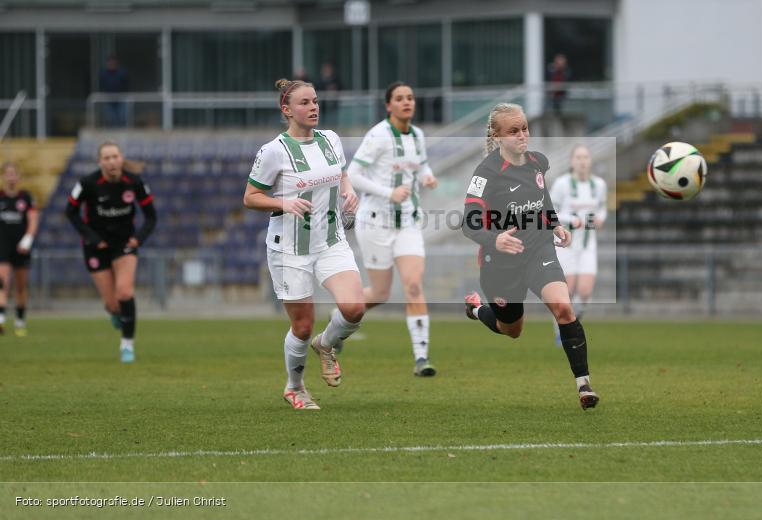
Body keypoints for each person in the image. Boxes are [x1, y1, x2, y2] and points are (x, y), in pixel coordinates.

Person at [461, 103, 599, 410]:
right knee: (512, 330)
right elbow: (469, 222)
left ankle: (584, 385)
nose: (522, 135)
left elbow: (541, 197)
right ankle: (477, 310)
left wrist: (555, 224)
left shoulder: (538, 162)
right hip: (501, 264)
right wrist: (495, 239)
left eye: (524, 128)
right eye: (513, 131)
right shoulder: (485, 173)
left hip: (539, 250)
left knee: (564, 308)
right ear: (497, 136)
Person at [244, 78, 365, 411]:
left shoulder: (331, 139)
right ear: (286, 110)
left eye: (315, 101)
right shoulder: (273, 151)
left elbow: (341, 173)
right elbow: (251, 197)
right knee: (302, 325)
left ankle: (326, 345)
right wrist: (284, 203)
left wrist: (348, 190)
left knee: (354, 308)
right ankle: (295, 387)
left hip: (330, 240)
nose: (314, 107)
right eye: (305, 103)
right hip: (290, 248)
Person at [345, 82, 439, 376]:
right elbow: (352, 175)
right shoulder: (378, 136)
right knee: (380, 293)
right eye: (399, 98)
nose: (406, 102)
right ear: (389, 106)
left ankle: (421, 358)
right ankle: (341, 317)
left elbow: (420, 167)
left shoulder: (418, 135)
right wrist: (389, 193)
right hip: (375, 222)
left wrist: (427, 177)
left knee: (413, 285)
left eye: (410, 97)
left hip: (408, 222)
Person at [65, 143, 156, 362]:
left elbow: (151, 216)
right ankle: (116, 313)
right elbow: (71, 212)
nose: (112, 161)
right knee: (113, 304)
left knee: (124, 293)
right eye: (106, 158)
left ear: (121, 158)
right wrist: (92, 238)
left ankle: (127, 346)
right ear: (100, 162)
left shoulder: (134, 182)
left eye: (115, 156)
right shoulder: (87, 183)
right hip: (96, 247)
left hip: (124, 245)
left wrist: (138, 239)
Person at [549, 145, 607, 344]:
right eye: (578, 157)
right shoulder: (562, 184)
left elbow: (602, 208)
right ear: (572, 161)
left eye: (586, 157)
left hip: (588, 245)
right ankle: (561, 329)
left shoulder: (598, 185)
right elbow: (550, 211)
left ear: (590, 161)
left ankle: (571, 324)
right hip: (566, 245)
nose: (582, 161)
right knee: (567, 291)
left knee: (585, 292)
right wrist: (571, 219)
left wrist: (600, 219)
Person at [0, 163, 39, 337]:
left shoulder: (26, 197)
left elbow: (33, 219)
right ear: (3, 176)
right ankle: (1, 319)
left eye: (13, 174)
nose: (11, 177)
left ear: (18, 177)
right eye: (7, 174)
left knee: (21, 286)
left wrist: (28, 239)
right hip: (3, 246)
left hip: (21, 247)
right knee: (2, 282)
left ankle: (20, 320)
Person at [98, 55, 130, 127]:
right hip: (108, 99)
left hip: (121, 99)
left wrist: (123, 95)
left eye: (113, 62)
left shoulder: (122, 73)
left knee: (122, 118)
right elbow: (101, 86)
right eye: (110, 62)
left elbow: (127, 85)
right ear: (107, 63)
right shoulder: (103, 73)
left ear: (116, 63)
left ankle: (122, 131)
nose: (111, 64)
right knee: (110, 119)